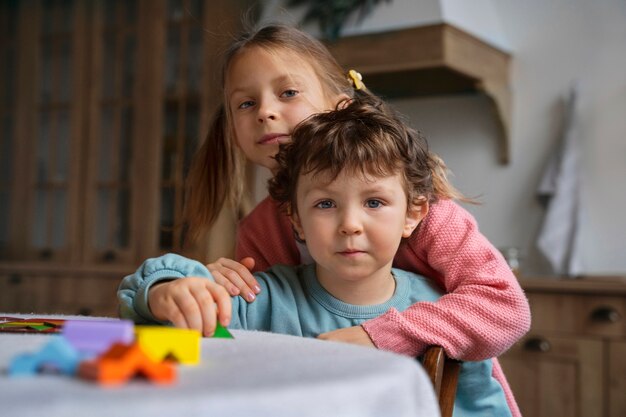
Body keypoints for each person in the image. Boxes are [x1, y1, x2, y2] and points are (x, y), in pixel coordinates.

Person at [119, 99, 517, 416]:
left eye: (374, 202)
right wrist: (167, 288)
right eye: (326, 204)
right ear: (297, 220)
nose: (350, 224)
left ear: (412, 214)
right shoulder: (266, 301)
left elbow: (479, 408)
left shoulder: (443, 317)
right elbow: (155, 329)